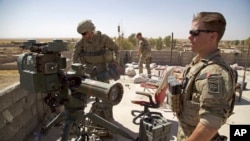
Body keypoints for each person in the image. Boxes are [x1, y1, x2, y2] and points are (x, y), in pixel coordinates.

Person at [176, 12, 236, 141]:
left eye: (195, 33)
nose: (189, 37)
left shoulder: (215, 74)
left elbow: (210, 124)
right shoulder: (198, 62)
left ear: (213, 36)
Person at [72, 19, 120, 136]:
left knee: (107, 96)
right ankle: (81, 121)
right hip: (88, 74)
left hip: (102, 72)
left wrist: (116, 62)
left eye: (85, 33)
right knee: (81, 96)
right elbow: (75, 56)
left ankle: (108, 120)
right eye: (82, 35)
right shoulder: (81, 43)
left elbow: (116, 48)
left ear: (91, 30)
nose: (84, 36)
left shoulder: (103, 38)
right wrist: (76, 71)